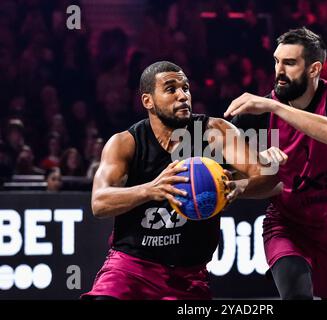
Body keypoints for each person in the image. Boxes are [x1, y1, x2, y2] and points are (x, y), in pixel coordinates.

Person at [81, 61, 282, 300]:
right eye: (171, 89)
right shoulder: (126, 143)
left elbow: (268, 178)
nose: (183, 95)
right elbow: (99, 203)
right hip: (130, 269)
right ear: (148, 101)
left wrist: (238, 187)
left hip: (189, 277)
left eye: (185, 88)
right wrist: (151, 189)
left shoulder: (214, 132)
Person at [225, 27, 327, 300]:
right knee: (296, 296)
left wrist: (276, 107)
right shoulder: (257, 113)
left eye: (289, 63)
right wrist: (254, 165)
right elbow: (239, 178)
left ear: (314, 69)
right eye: (277, 61)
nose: (279, 70)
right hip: (288, 225)